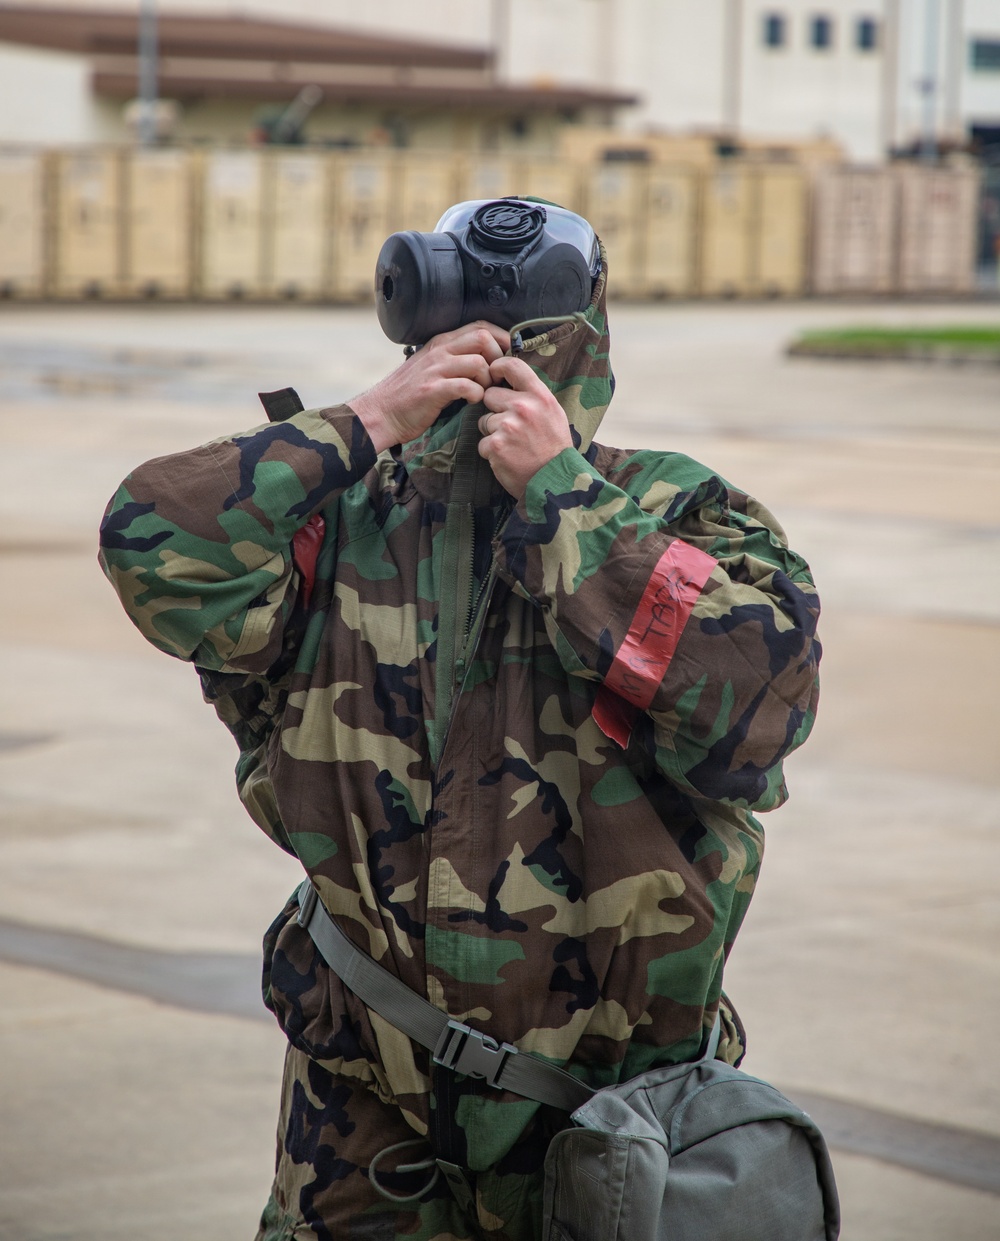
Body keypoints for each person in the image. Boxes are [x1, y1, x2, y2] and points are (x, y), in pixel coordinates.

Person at [99, 210, 821, 1241]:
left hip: (617, 1126)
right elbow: (153, 543)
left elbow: (764, 699)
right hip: (366, 1122)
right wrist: (367, 420)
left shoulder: (677, 510)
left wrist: (564, 500)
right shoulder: (341, 514)